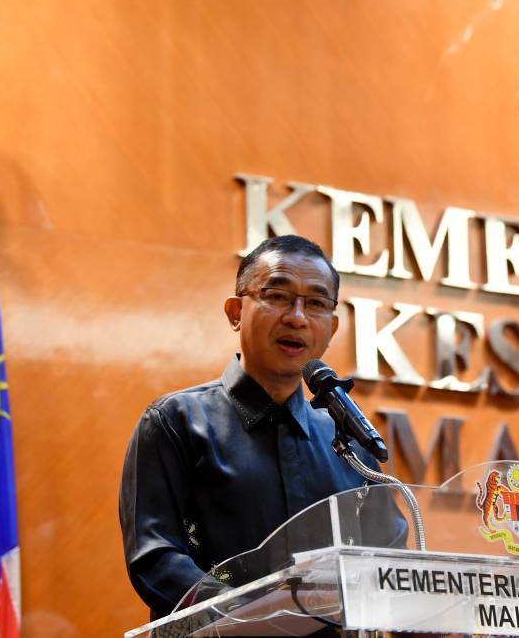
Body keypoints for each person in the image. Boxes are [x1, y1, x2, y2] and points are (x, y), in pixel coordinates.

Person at [119, 234, 403, 620]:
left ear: (332, 327)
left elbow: (391, 559)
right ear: (235, 312)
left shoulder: (349, 440)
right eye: (277, 296)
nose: (297, 317)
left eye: (316, 303)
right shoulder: (176, 421)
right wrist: (254, 614)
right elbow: (156, 558)